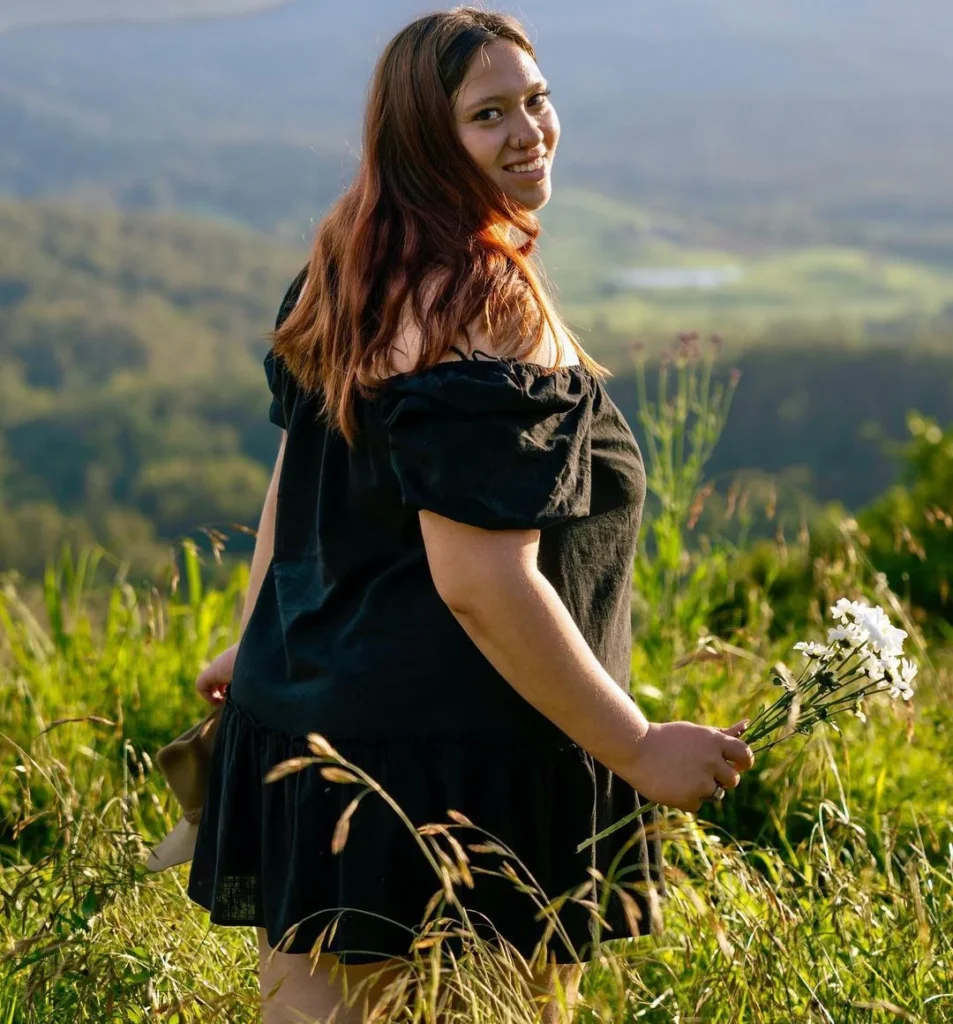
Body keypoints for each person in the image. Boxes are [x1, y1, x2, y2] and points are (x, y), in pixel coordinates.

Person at [186, 8, 755, 1023]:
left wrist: (255, 638)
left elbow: (294, 474)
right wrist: (632, 746)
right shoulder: (486, 302)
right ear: (422, 139)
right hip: (459, 762)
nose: (529, 130)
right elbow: (481, 580)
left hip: (312, 728)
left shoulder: (347, 266)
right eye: (487, 114)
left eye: (535, 99)